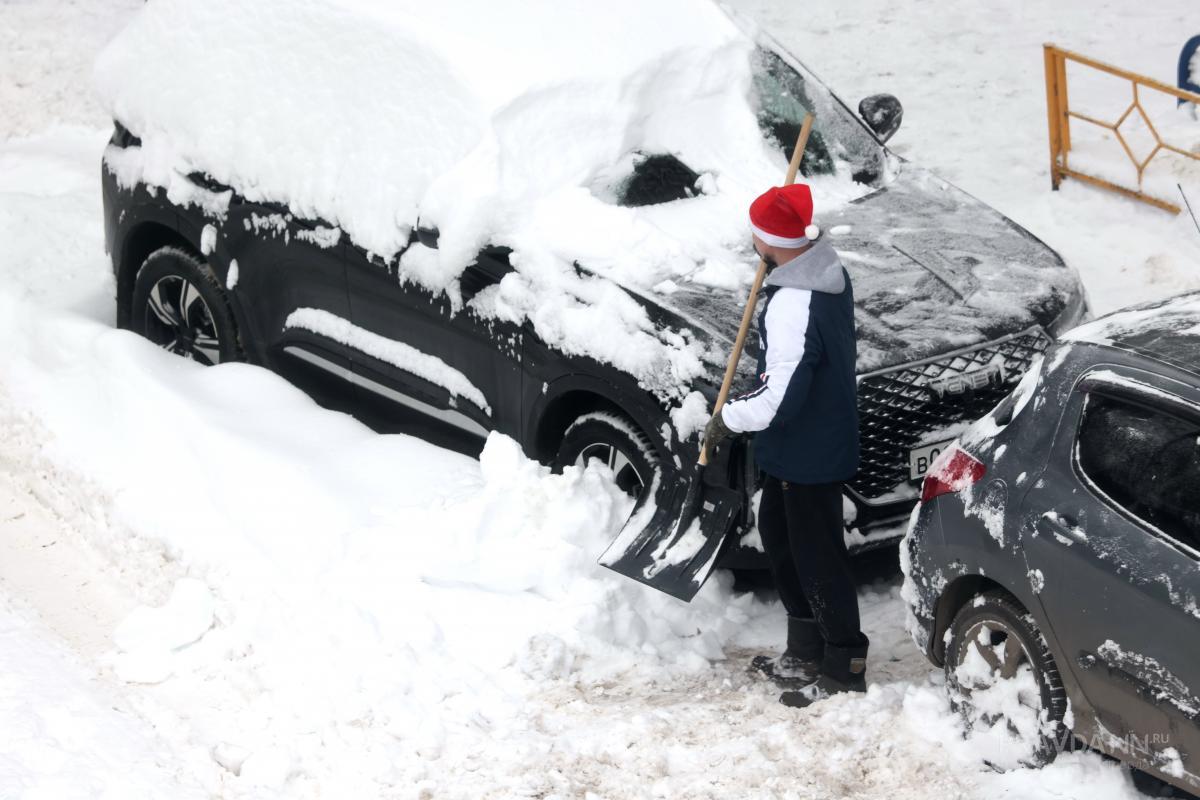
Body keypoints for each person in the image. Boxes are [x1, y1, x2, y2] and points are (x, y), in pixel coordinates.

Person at [704, 183, 867, 709]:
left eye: (756, 235)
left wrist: (727, 419)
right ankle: (805, 646)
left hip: (809, 447)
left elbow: (780, 395)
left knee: (819, 557)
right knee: (779, 534)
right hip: (801, 442)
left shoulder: (796, 300)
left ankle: (844, 666)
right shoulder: (817, 271)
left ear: (768, 241)